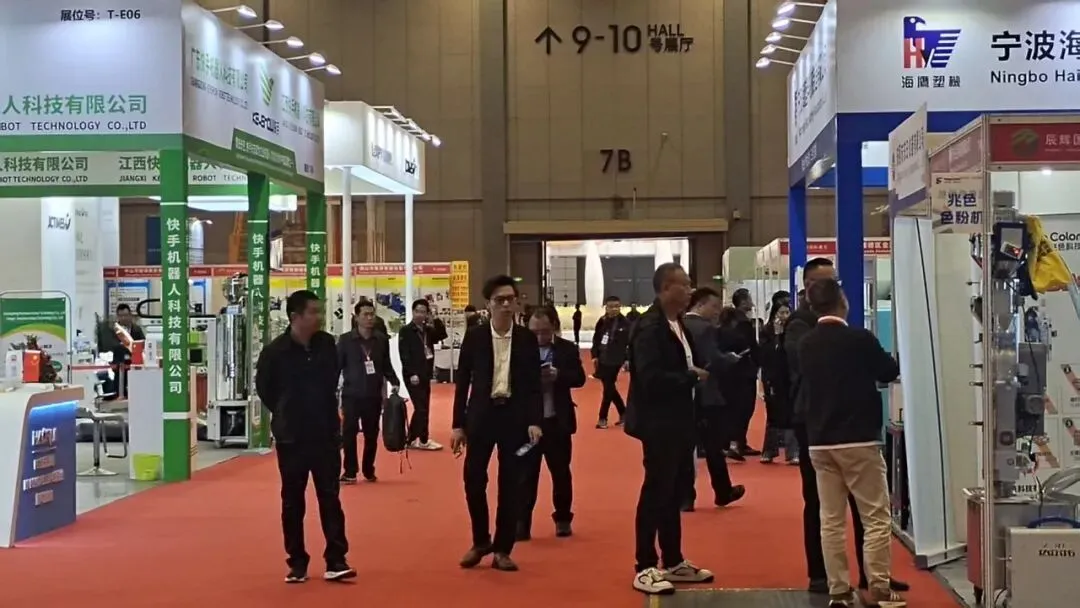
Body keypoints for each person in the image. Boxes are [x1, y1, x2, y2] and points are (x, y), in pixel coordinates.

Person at [785, 258, 909, 596]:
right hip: (858, 437)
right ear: (842, 301)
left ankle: (838, 588)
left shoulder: (806, 342)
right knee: (875, 516)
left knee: (830, 518)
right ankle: (878, 584)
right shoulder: (859, 338)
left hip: (821, 438)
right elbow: (887, 370)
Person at [625, 263, 714, 595]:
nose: (690, 291)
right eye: (684, 285)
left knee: (674, 491)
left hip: (680, 419)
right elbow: (650, 379)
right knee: (656, 490)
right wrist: (689, 377)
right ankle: (645, 564)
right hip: (658, 422)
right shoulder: (650, 328)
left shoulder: (677, 323)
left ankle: (673, 559)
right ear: (665, 288)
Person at [255, 290, 355, 583]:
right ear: (294, 316)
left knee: (330, 498)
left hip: (325, 434)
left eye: (319, 311)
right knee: (292, 501)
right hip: (292, 437)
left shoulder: (326, 344)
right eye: (313, 312)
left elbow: (331, 380)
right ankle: (297, 561)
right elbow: (265, 389)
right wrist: (286, 411)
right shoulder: (275, 352)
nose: (319, 317)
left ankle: (336, 559)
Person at [451, 274, 544, 572]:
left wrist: (535, 420)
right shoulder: (475, 337)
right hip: (481, 416)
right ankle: (480, 541)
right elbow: (462, 382)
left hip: (514, 418)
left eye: (510, 300)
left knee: (511, 483)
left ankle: (503, 548)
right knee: (473, 479)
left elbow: (534, 385)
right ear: (488, 304)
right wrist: (457, 424)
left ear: (516, 303)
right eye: (499, 300)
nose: (505, 305)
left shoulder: (526, 339)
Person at [517, 306, 586, 541]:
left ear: (554, 327)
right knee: (525, 476)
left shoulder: (567, 349)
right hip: (528, 423)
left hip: (557, 421)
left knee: (561, 473)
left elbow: (579, 378)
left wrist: (559, 375)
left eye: (544, 332)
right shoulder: (519, 349)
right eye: (534, 332)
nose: (539, 337)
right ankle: (521, 523)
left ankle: (563, 519)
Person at [680, 286, 746, 512]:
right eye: (714, 306)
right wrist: (731, 359)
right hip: (706, 392)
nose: (717, 311)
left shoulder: (679, 324)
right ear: (700, 305)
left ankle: (686, 496)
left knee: (686, 447)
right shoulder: (706, 329)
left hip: (683, 392)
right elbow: (713, 358)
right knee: (713, 446)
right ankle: (722, 490)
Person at [338, 298, 401, 483]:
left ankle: (368, 468)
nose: (369, 318)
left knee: (371, 434)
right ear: (356, 317)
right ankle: (350, 470)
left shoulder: (381, 340)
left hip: (373, 394)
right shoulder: (346, 340)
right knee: (349, 434)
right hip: (351, 394)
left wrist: (394, 381)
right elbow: (336, 366)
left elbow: (386, 364)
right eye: (365, 314)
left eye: (372, 314)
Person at [399, 299, 443, 451]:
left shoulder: (428, 330)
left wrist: (435, 319)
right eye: (417, 311)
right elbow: (404, 354)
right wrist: (411, 373)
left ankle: (414, 438)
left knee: (424, 407)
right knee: (421, 408)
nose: (420, 314)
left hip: (425, 373)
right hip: (413, 375)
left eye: (423, 312)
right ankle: (420, 439)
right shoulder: (406, 331)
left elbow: (441, 335)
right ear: (413, 312)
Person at [760, 299, 797, 464]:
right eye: (781, 312)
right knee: (773, 414)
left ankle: (792, 452)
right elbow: (766, 354)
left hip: (789, 376)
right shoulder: (766, 331)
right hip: (772, 377)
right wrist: (776, 335)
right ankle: (769, 450)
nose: (784, 316)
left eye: (787, 312)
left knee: (791, 413)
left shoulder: (793, 331)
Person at [725, 288, 760, 457]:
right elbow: (750, 345)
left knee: (738, 407)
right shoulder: (742, 322)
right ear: (744, 301)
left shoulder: (730, 320)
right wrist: (757, 360)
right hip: (744, 370)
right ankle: (737, 442)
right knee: (744, 408)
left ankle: (738, 442)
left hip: (735, 370)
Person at [591, 295, 631, 428]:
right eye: (611, 307)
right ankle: (624, 413)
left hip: (616, 359)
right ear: (606, 308)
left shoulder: (625, 323)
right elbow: (596, 339)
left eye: (617, 306)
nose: (614, 309)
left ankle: (602, 418)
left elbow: (629, 343)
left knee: (608, 388)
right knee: (610, 388)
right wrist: (594, 355)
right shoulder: (602, 321)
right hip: (602, 358)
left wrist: (627, 359)